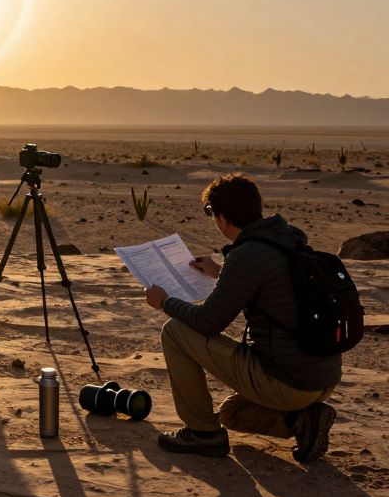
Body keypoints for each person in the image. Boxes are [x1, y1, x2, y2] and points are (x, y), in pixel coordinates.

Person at [143, 173, 339, 462]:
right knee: (232, 414)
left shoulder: (247, 254)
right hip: (321, 379)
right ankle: (303, 421)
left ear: (222, 218)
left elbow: (208, 321)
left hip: (287, 382)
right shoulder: (286, 238)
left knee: (175, 331)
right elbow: (269, 283)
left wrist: (165, 302)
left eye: (211, 214)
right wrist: (220, 272)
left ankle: (202, 434)